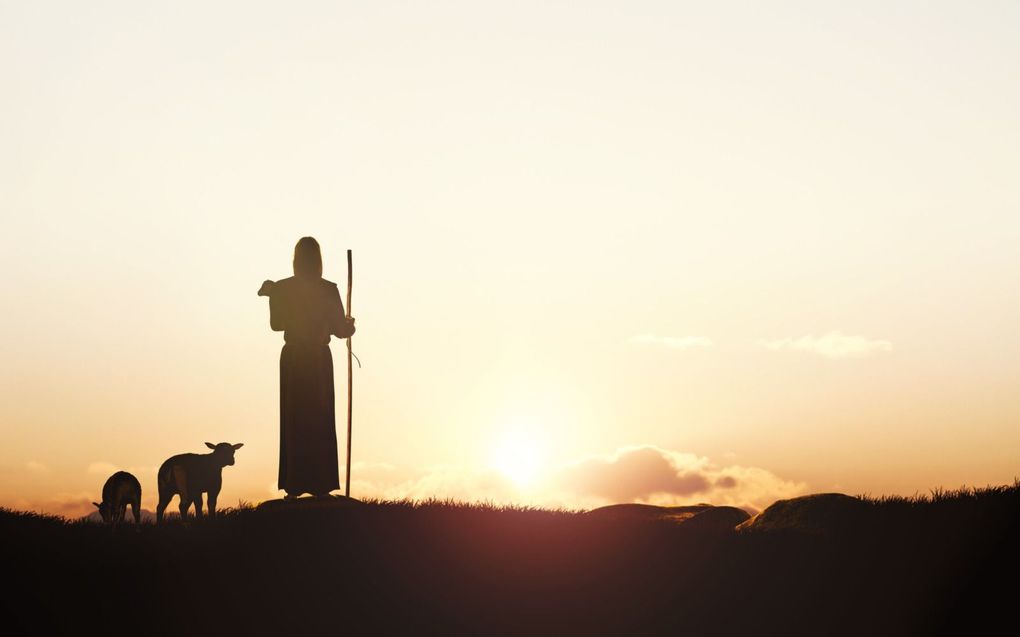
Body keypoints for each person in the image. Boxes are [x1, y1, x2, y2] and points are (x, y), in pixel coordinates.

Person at [259, 237, 355, 499]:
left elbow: (277, 323)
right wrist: (349, 326)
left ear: (296, 260)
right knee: (318, 418)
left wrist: (274, 295)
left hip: (296, 359)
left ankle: (295, 484)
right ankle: (319, 484)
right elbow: (340, 330)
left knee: (296, 419)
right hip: (316, 359)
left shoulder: (284, 288)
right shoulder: (327, 289)